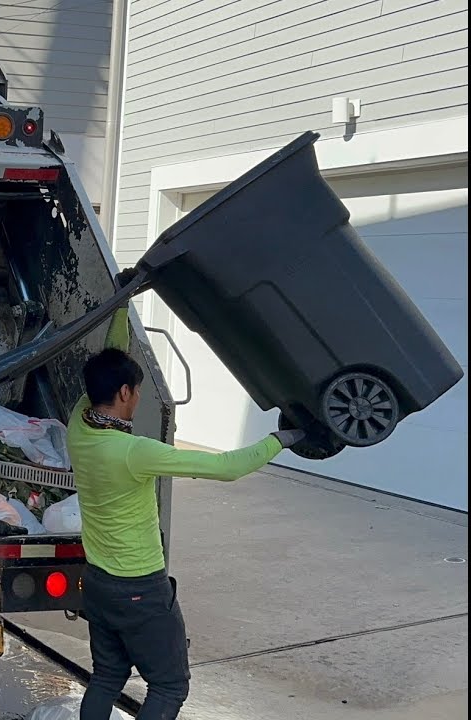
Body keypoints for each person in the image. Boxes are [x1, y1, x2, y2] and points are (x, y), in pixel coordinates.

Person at [68, 270, 305, 720]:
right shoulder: (133, 451)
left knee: (105, 677)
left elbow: (105, 358)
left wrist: (121, 304)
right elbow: (225, 467)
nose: (138, 399)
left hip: (97, 583)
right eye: (136, 391)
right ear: (123, 392)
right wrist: (285, 439)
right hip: (139, 588)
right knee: (170, 685)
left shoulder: (79, 422)